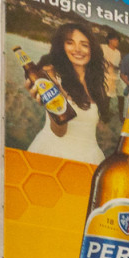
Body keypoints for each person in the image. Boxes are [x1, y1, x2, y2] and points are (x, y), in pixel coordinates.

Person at [19, 22, 110, 162]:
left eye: (84, 45)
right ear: (62, 46)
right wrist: (56, 97)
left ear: (92, 50)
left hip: (90, 158)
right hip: (53, 153)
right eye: (70, 43)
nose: (78, 49)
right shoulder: (52, 75)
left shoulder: (96, 83)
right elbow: (59, 132)